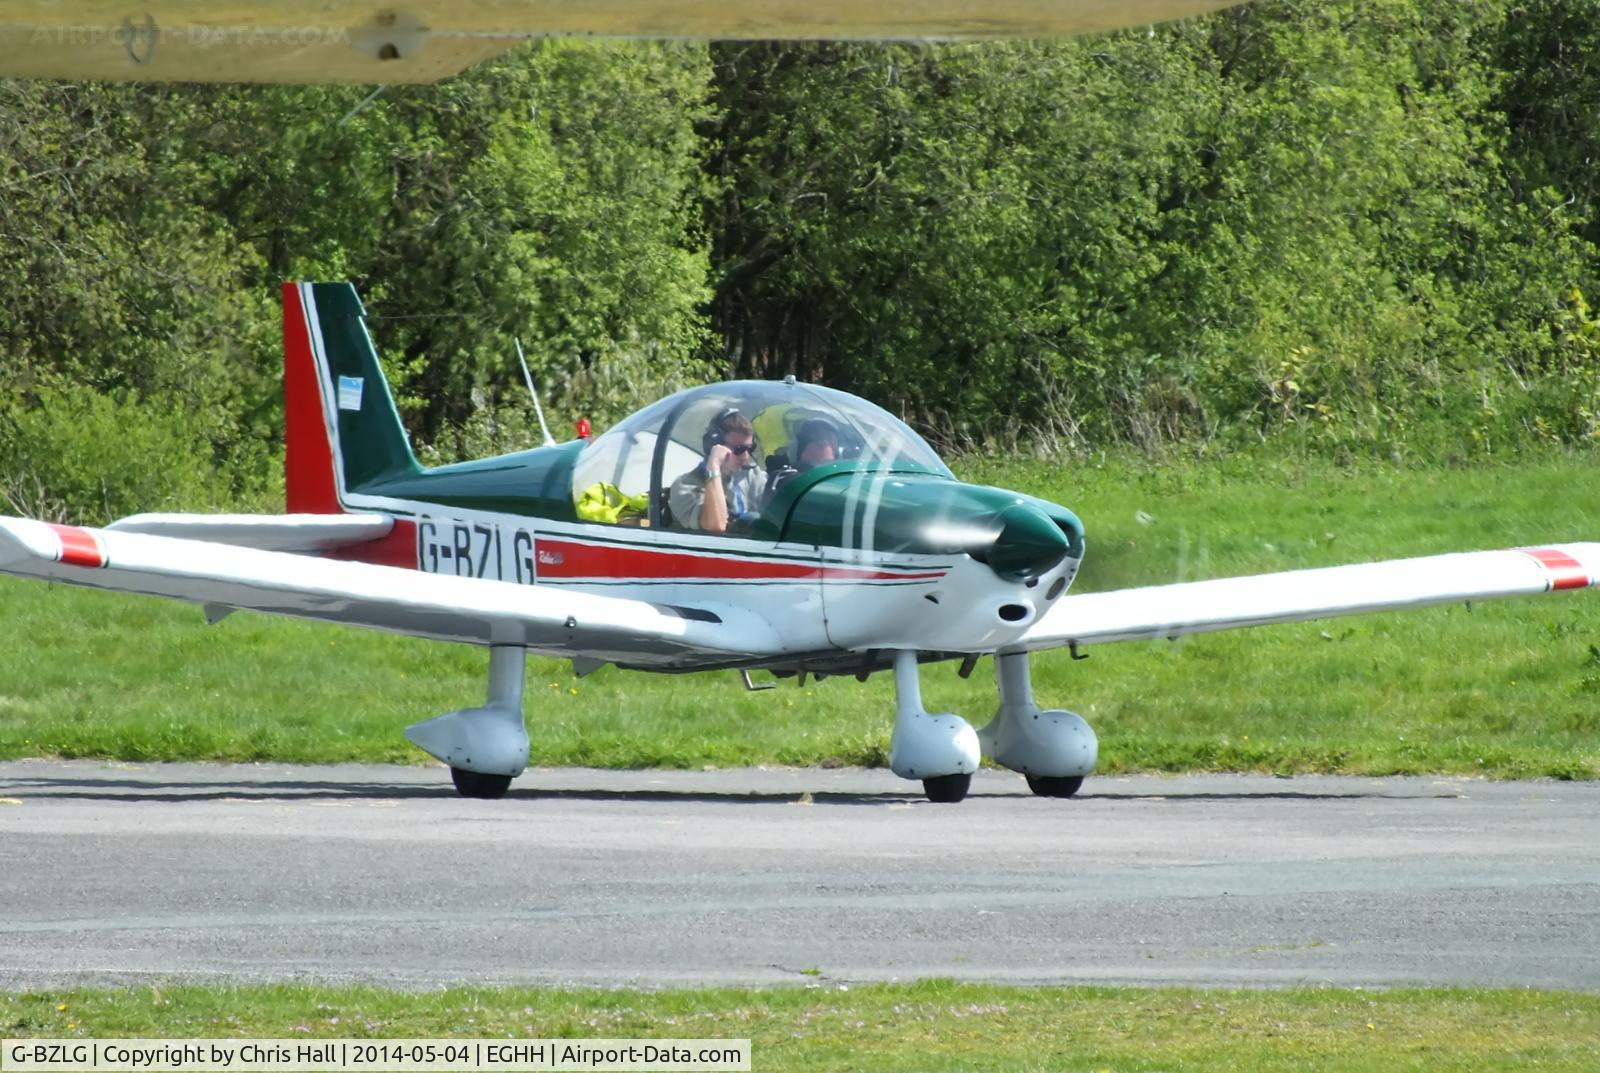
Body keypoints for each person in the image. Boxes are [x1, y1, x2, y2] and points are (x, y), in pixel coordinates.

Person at [668, 408, 766, 534]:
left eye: (750, 448)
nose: (746, 457)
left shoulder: (750, 475)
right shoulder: (686, 485)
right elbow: (715, 525)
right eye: (739, 449)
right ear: (713, 445)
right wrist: (714, 466)